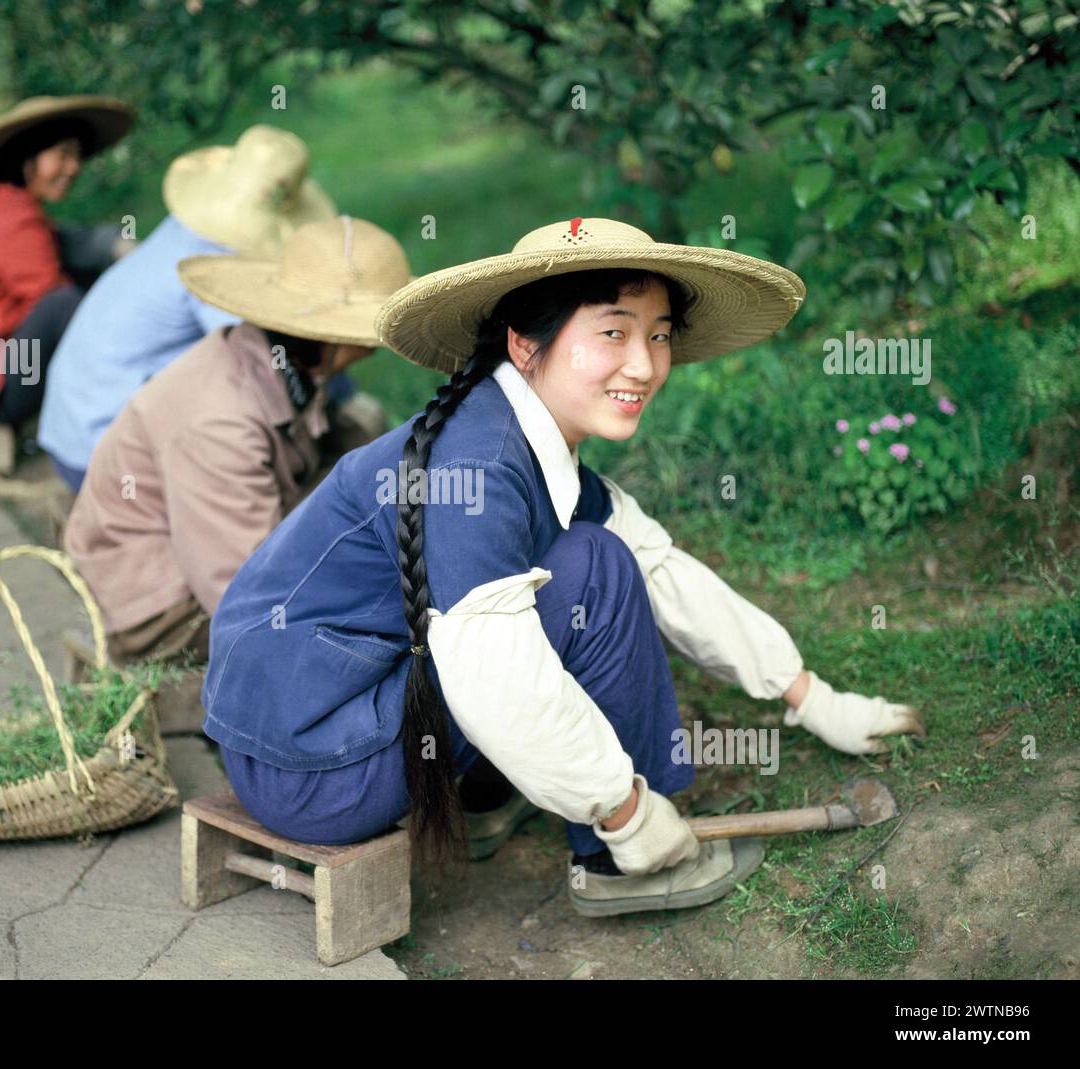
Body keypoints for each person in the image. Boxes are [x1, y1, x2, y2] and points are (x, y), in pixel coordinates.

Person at [198, 217, 926, 915]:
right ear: (523, 344)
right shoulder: (479, 467)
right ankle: (619, 862)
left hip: (322, 730)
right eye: (613, 332)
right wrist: (627, 810)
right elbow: (496, 674)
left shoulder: (526, 438)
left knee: (593, 556)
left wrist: (811, 696)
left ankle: (491, 789)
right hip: (310, 767)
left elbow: (664, 569)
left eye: (659, 336)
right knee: (591, 571)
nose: (643, 365)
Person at [62, 215, 411, 665]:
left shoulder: (287, 364)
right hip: (157, 609)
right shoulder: (220, 421)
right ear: (331, 338)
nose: (373, 348)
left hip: (212, 550)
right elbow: (244, 593)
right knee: (374, 635)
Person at [37, 125, 339, 491]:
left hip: (68, 430)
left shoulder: (186, 227)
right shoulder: (214, 266)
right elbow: (260, 373)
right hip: (97, 455)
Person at [0, 94, 133, 425]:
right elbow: (56, 301)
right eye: (63, 155)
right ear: (29, 157)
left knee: (77, 274)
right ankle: (122, 397)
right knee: (63, 304)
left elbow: (59, 242)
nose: (74, 167)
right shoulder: (14, 217)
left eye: (77, 156)